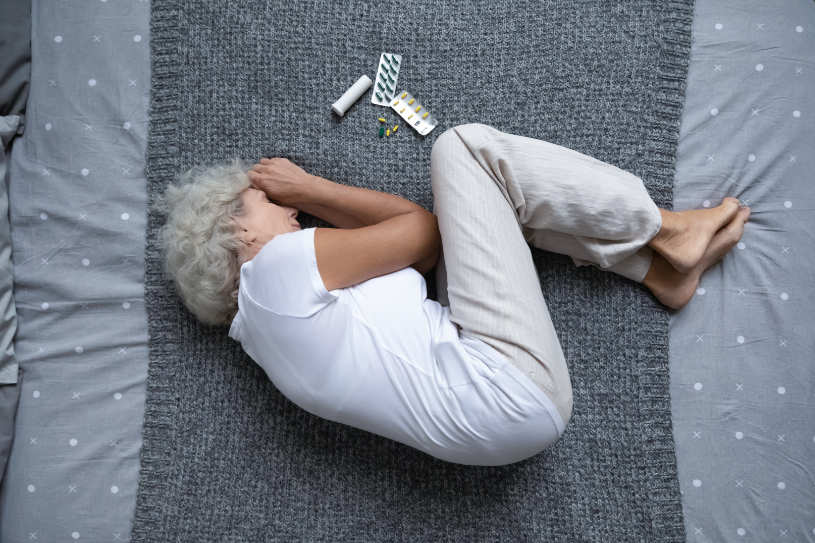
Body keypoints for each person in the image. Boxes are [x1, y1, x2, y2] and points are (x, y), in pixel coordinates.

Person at [154, 123, 750, 466]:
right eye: (271, 205)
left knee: (490, 204)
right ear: (237, 230)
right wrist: (311, 186)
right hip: (505, 385)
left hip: (498, 417)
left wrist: (313, 200)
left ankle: (657, 272)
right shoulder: (278, 271)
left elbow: (433, 243)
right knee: (462, 149)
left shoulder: (261, 336)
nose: (291, 211)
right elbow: (423, 231)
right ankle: (667, 229)